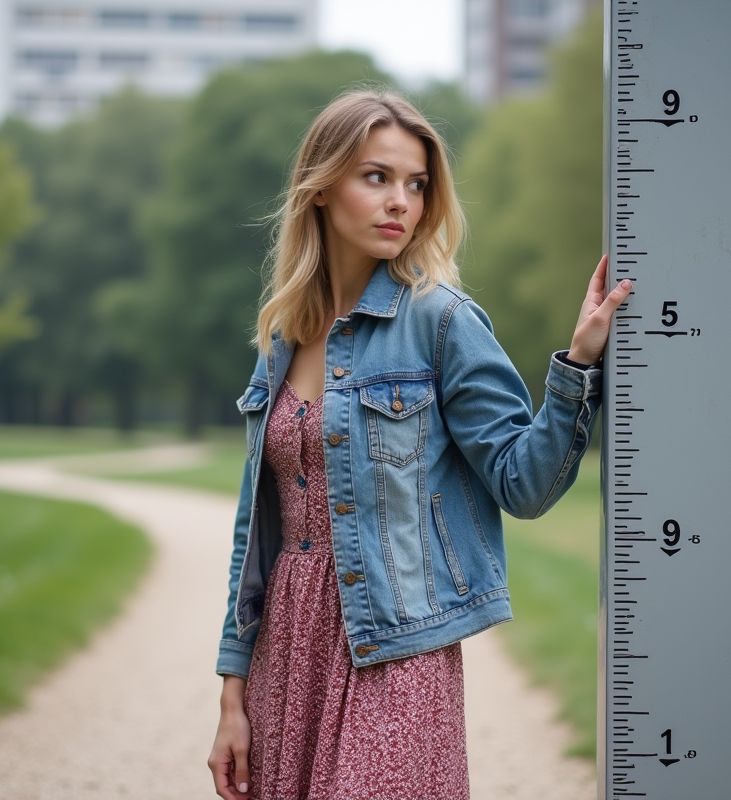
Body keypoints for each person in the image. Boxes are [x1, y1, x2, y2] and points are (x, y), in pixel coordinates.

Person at [207, 88, 631, 800]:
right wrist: (231, 696)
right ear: (321, 188)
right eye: (377, 177)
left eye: (416, 184)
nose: (401, 200)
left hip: (396, 653)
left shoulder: (443, 321)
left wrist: (579, 366)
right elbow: (256, 534)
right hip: (287, 649)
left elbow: (523, 483)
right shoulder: (282, 340)